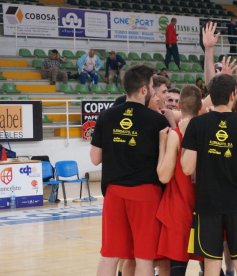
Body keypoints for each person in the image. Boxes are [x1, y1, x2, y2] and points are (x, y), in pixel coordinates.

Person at [181, 74, 237, 276]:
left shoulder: (197, 125)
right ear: (233, 95)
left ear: (211, 95)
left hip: (208, 203)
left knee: (211, 262)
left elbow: (186, 168)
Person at [90, 65, 169, 276]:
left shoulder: (106, 117)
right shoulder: (157, 120)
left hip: (115, 193)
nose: (153, 91)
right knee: (144, 257)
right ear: (144, 90)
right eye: (152, 86)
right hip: (145, 194)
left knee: (109, 255)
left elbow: (95, 158)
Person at [156, 85, 202, 276]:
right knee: (211, 265)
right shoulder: (207, 130)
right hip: (203, 207)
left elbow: (164, 176)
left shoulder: (175, 134)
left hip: (178, 208)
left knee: (177, 268)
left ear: (179, 105)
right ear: (200, 108)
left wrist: (162, 144)